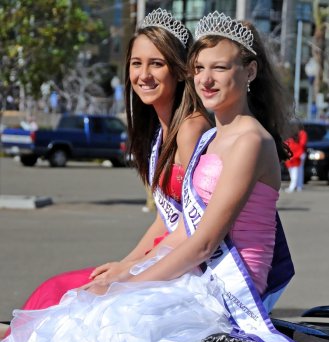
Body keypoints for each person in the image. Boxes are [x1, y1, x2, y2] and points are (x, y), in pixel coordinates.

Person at [0, 11, 300, 342]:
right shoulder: (213, 137)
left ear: (250, 72)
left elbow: (205, 242)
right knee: (85, 309)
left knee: (110, 322)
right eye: (200, 68)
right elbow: (182, 226)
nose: (206, 79)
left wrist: (130, 282)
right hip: (201, 268)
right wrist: (127, 270)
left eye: (219, 68)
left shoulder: (250, 141)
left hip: (228, 285)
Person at [18, 9, 212, 311]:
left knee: (72, 300)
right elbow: (164, 218)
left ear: (177, 69)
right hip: (162, 256)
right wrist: (125, 263)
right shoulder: (159, 132)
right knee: (56, 289)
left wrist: (131, 271)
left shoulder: (191, 128)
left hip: (187, 269)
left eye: (156, 64)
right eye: (136, 63)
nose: (143, 75)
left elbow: (194, 225)